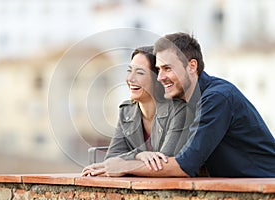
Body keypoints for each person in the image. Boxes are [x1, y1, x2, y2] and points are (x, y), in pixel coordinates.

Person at [81, 32, 275, 178]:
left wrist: (125, 165)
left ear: (192, 66)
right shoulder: (184, 102)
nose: (161, 77)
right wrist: (137, 157)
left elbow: (184, 164)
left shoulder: (217, 98)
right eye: (158, 69)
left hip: (264, 184)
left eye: (167, 69)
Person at [82, 46, 191, 175]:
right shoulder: (127, 111)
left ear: (158, 79)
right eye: (129, 71)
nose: (130, 79)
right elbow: (111, 159)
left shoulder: (178, 110)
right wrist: (139, 155)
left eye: (140, 73)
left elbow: (164, 163)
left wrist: (125, 164)